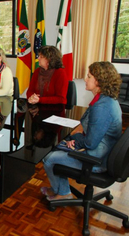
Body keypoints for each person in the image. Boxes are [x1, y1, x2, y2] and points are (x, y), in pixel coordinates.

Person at [41, 61, 122, 201]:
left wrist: (75, 140)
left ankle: (63, 193)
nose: (85, 79)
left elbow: (90, 143)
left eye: (89, 76)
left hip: (95, 161)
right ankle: (61, 189)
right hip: (104, 153)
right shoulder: (106, 100)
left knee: (48, 157)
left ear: (99, 81)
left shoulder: (102, 107)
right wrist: (74, 138)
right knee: (58, 147)